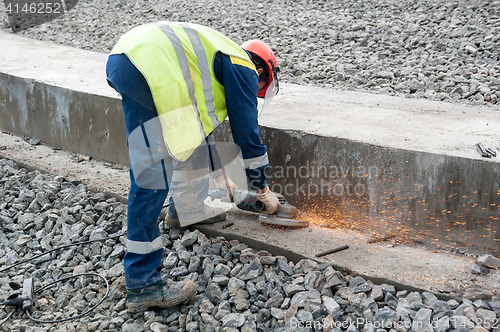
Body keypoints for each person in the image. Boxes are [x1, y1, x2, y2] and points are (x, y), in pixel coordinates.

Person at [105, 21, 281, 311]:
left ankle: (186, 209)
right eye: (261, 88)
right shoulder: (243, 67)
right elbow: (247, 135)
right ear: (261, 70)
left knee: (181, 145)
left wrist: (224, 179)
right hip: (147, 67)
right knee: (152, 173)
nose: (256, 93)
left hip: (127, 57)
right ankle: (142, 282)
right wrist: (260, 187)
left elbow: (197, 134)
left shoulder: (214, 61)